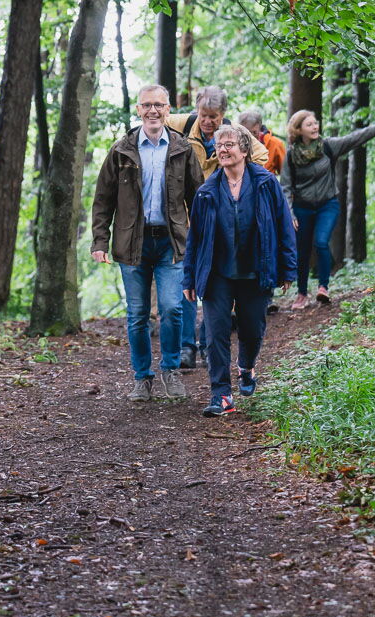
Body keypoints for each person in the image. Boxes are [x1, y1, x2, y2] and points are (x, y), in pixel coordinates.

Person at [91, 85, 203, 403]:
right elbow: (102, 200)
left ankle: (170, 370)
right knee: (138, 313)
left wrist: (205, 240)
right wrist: (101, 239)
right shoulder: (121, 150)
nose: (153, 111)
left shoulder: (182, 149)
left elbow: (199, 198)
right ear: (138, 110)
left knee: (171, 308)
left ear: (169, 110)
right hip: (132, 242)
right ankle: (142, 377)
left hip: (171, 242)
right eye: (147, 105)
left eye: (159, 105)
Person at [183, 124, 297, 417]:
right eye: (219, 145)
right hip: (217, 273)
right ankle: (221, 394)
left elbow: (283, 224)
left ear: (245, 150)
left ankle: (246, 366)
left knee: (252, 328)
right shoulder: (207, 191)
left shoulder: (265, 183)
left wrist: (287, 268)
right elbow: (195, 238)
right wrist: (189, 276)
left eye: (229, 144)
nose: (223, 149)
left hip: (256, 269)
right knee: (216, 332)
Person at [166, 87, 269, 370]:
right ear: (196, 111)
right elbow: (156, 120)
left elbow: (261, 155)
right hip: (189, 217)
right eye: (204, 115)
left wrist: (232, 174)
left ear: (223, 114)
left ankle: (207, 344)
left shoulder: (234, 133)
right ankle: (187, 346)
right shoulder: (182, 124)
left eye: (214, 116)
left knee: (213, 284)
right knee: (188, 279)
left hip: (222, 219)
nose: (208, 121)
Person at [285, 110, 375, 308]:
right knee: (302, 251)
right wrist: (290, 213)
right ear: (299, 130)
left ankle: (323, 288)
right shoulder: (291, 155)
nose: (315, 126)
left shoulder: (327, 146)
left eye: (315, 122)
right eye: (309, 124)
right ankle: (301, 294)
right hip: (302, 208)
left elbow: (353, 139)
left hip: (327, 204)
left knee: (321, 242)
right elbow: (285, 186)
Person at [237, 110, 286, 176]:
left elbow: (285, 174)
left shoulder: (275, 143)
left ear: (259, 127)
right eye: (246, 132)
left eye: (254, 132)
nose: (250, 136)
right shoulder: (233, 144)